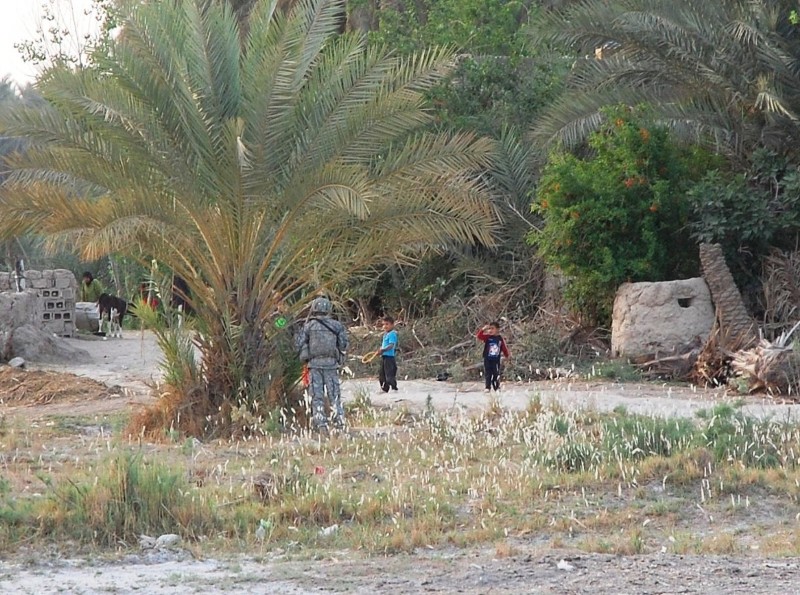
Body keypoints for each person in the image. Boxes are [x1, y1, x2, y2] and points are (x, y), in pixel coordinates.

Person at [295, 296, 349, 432]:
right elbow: (344, 344)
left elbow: (298, 344)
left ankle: (321, 424)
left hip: (314, 365)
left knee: (317, 396)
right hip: (331, 365)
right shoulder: (337, 326)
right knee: (334, 395)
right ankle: (339, 423)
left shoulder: (308, 326)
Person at [476, 321, 510, 392]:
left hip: (496, 359)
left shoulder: (500, 339)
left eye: (492, 328)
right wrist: (483, 329)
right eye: (489, 328)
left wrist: (507, 356)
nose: (490, 330)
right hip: (487, 358)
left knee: (496, 373)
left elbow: (504, 348)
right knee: (488, 373)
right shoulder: (488, 337)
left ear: (497, 329)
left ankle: (496, 387)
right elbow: (479, 336)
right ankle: (487, 387)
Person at [377, 315, 398, 393]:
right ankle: (384, 389)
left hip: (389, 358)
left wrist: (383, 350)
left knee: (389, 374)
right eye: (383, 324)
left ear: (392, 325)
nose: (385, 326)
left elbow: (391, 345)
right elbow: (384, 345)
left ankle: (394, 388)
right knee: (382, 374)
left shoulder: (392, 334)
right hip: (384, 357)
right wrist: (379, 351)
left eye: (387, 324)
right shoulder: (385, 334)